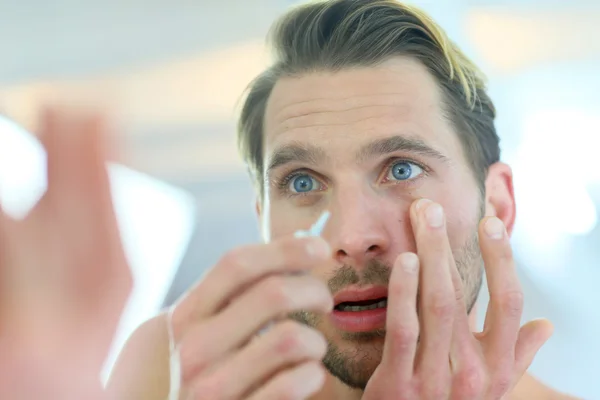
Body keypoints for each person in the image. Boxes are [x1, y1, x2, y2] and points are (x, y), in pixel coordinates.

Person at [105, 1, 583, 399]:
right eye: (301, 183)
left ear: (496, 206)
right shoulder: (171, 367)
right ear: (263, 223)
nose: (353, 238)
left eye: (402, 169)